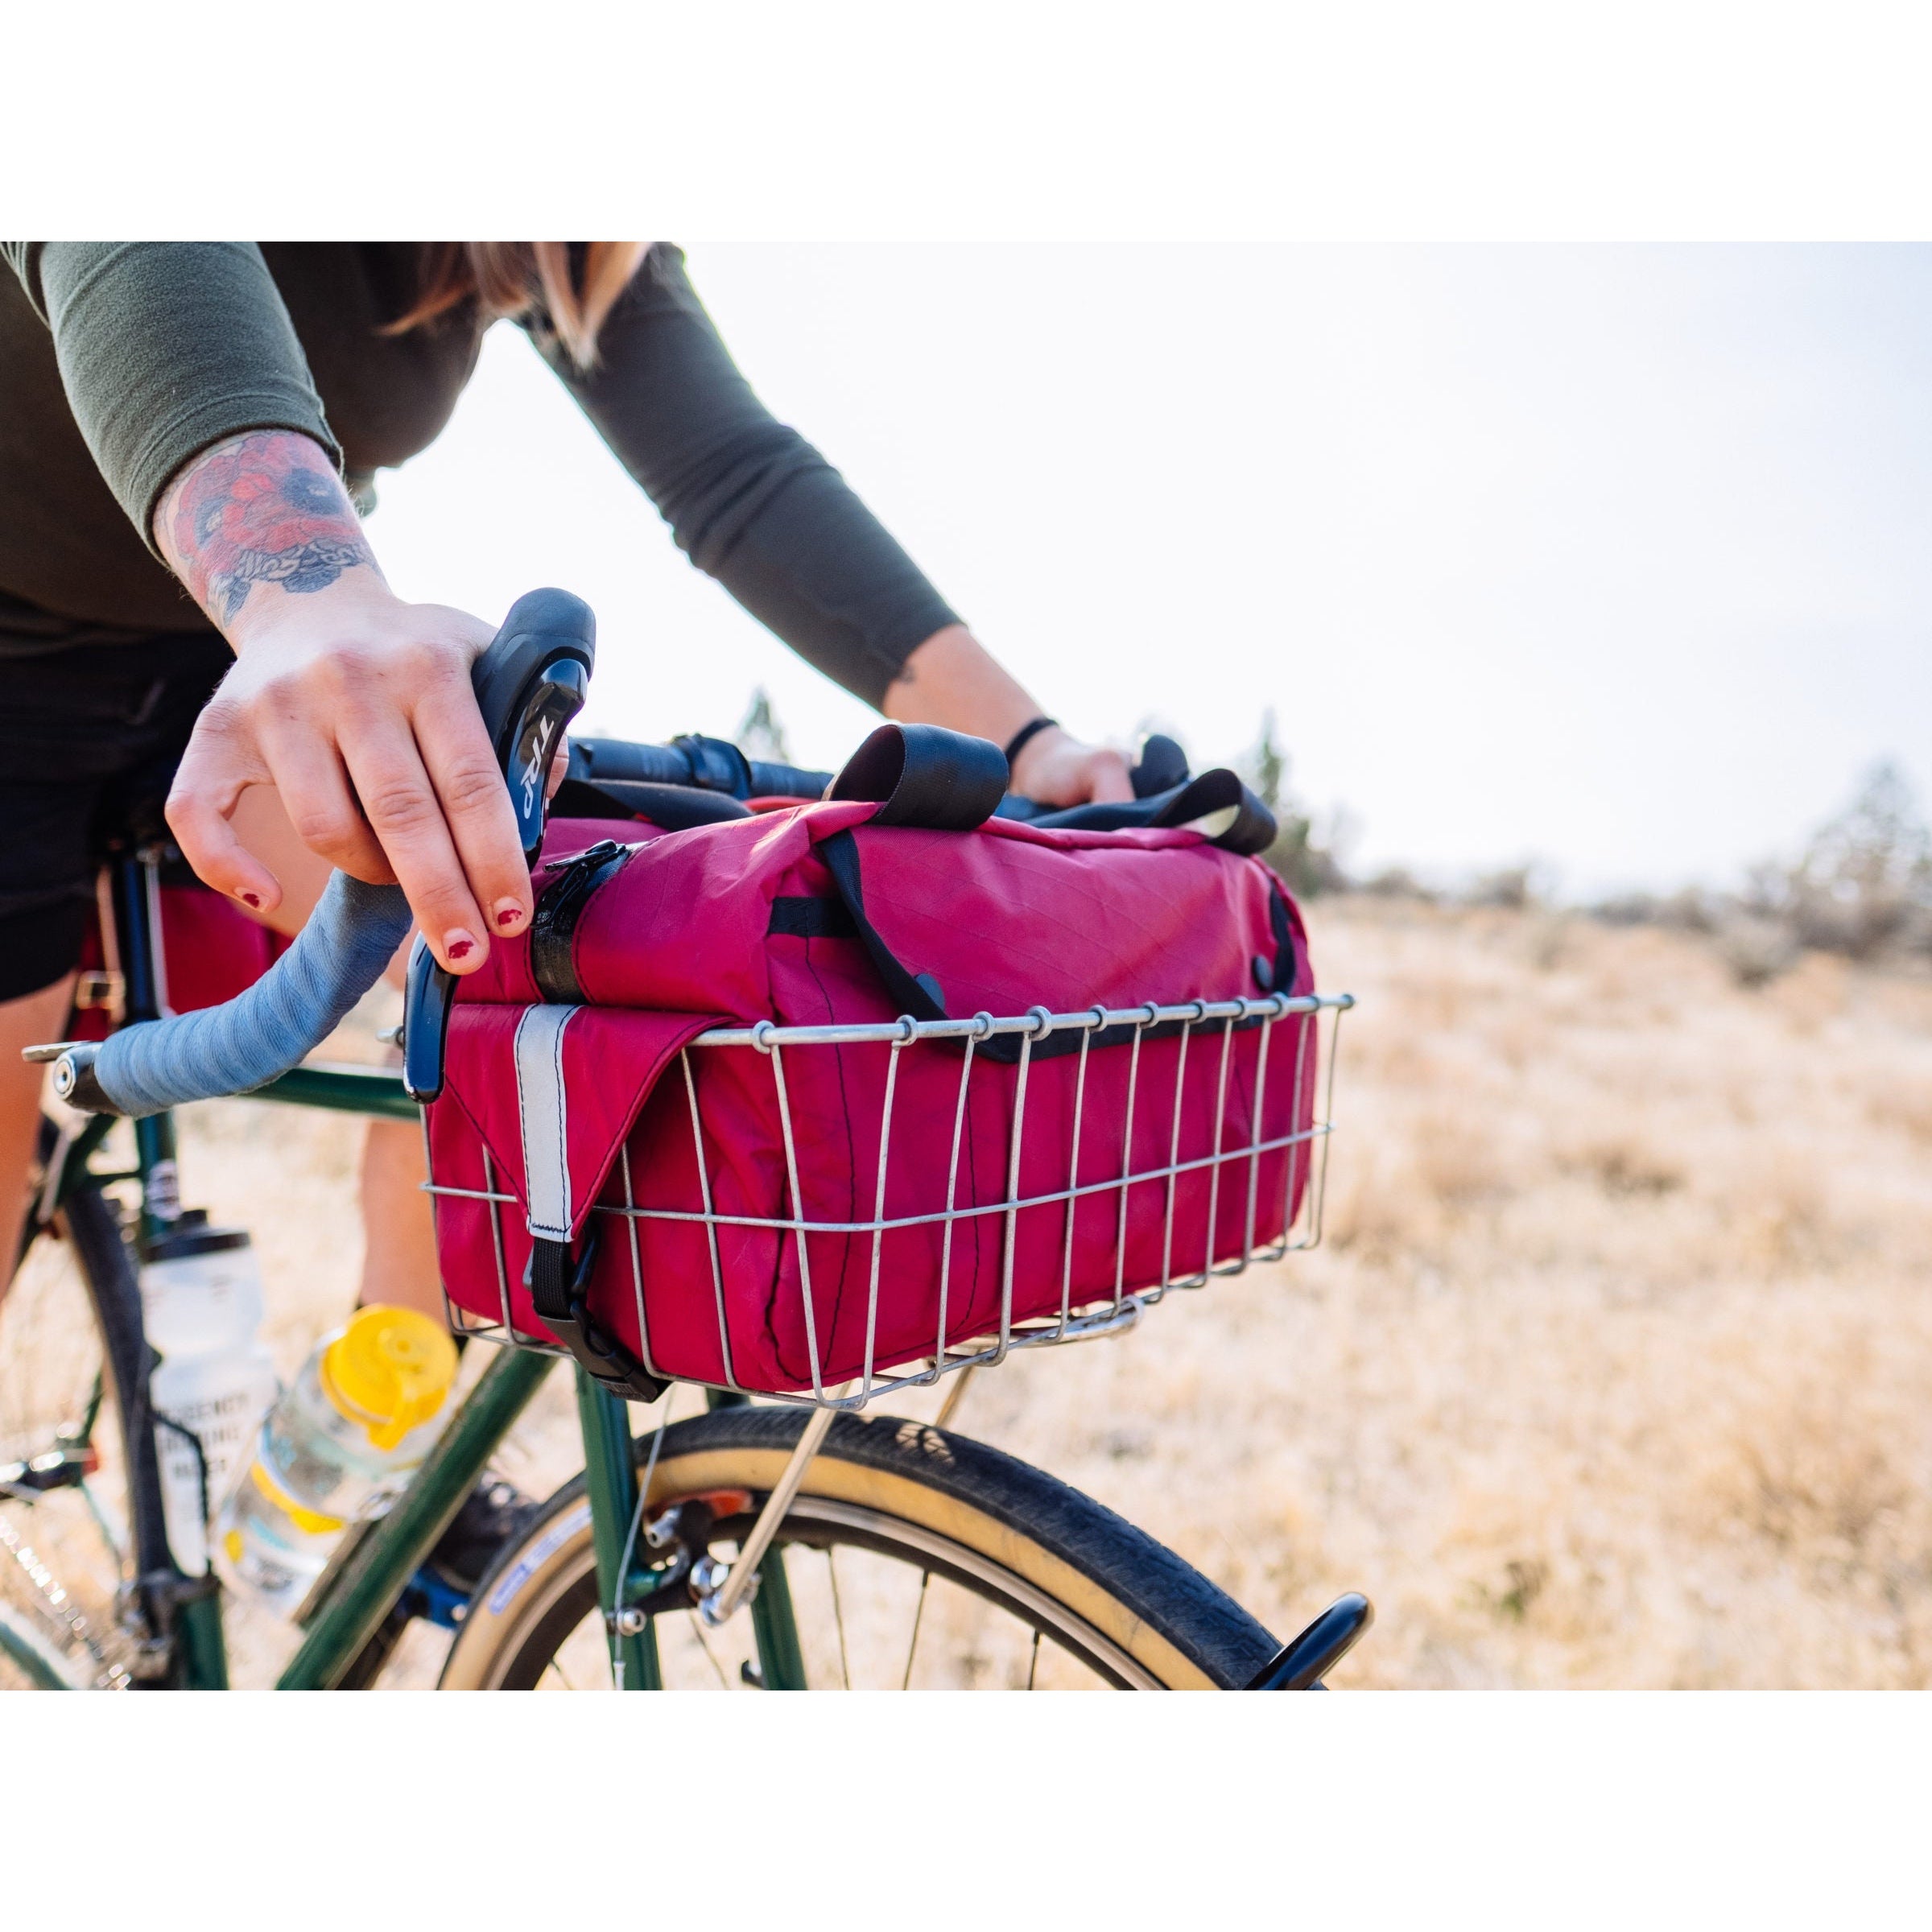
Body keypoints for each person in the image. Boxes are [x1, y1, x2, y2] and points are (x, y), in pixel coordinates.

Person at [0, 242, 1132, 1329]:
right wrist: (307, 591)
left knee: (501, 969)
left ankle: (391, 1445)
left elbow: (734, 473)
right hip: (93, 641)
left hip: (231, 650)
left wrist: (1027, 745)